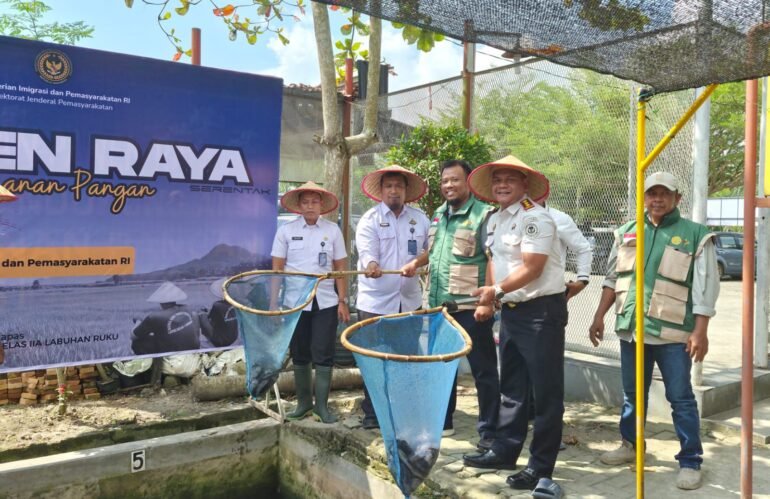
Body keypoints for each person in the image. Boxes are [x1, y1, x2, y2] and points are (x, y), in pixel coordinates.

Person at [588, 171, 719, 491]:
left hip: (673, 335)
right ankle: (631, 445)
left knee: (681, 398)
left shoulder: (696, 235)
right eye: (651, 194)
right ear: (643, 198)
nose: (657, 199)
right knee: (633, 396)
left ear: (677, 198)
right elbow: (610, 279)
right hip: (632, 332)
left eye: (664, 193)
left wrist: (700, 331)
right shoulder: (626, 233)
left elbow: (706, 288)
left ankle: (690, 460)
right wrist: (599, 315)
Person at [461, 155, 567, 497]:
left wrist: (496, 292)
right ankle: (504, 451)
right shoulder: (495, 220)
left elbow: (533, 267)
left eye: (509, 179)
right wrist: (489, 299)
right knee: (512, 387)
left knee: (546, 393)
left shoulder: (537, 218)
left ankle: (540, 467)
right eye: (498, 180)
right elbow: (495, 260)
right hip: (512, 312)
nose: (502, 185)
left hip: (541, 314)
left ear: (525, 185)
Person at [402, 159, 500, 446]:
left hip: (471, 308)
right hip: (438, 307)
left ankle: (489, 431)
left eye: (455, 180)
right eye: (445, 180)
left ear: (468, 182)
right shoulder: (438, 215)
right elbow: (434, 254)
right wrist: (415, 262)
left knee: (483, 371)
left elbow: (493, 258)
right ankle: (442, 422)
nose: (449, 185)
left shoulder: (484, 215)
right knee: (441, 367)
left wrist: (488, 300)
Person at [355, 165, 430, 429]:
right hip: (374, 302)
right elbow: (366, 251)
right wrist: (372, 263)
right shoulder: (369, 219)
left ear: (406, 190)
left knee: (405, 357)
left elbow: (430, 250)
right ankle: (373, 414)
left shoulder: (420, 219)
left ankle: (402, 411)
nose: (394, 190)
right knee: (374, 358)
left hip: (408, 300)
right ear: (382, 190)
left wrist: (418, 262)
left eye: (399, 185)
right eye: (389, 186)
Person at [271, 181, 350, 424]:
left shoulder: (332, 231)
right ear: (298, 205)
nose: (310, 206)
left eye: (314, 201)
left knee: (323, 352)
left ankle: (321, 408)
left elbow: (340, 268)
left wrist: (342, 300)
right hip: (295, 303)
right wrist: (274, 303)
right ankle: (303, 404)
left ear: (322, 205)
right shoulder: (285, 231)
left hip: (325, 302)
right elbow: (277, 268)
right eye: (305, 202)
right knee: (300, 352)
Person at [132, 281, 202, 355]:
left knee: (137, 343)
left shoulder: (154, 317)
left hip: (171, 357)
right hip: (193, 352)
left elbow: (133, 336)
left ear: (160, 301)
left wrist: (138, 321)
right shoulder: (190, 310)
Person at [199, 277, 239, 348]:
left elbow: (211, 319)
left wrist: (203, 313)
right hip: (233, 338)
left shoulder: (218, 305)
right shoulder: (236, 303)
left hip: (221, 341)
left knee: (201, 314)